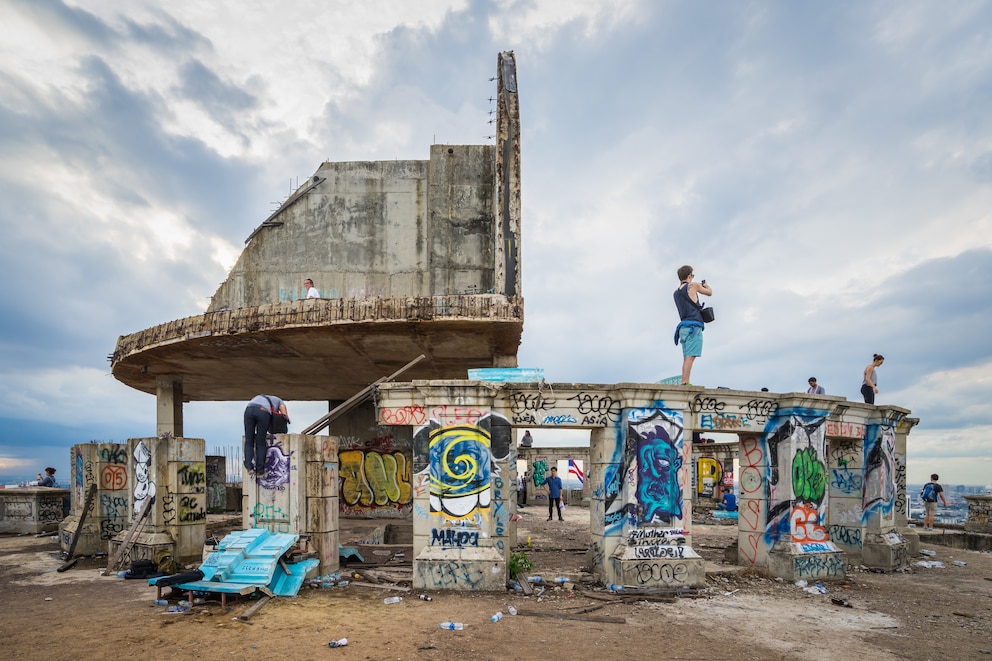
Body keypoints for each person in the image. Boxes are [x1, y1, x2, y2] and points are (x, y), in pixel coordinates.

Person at [673, 265, 713, 385]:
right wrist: (706, 286)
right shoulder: (693, 285)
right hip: (693, 328)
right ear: (689, 275)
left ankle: (685, 381)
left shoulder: (676, 293)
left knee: (687, 357)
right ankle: (685, 382)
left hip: (683, 328)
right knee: (690, 356)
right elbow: (709, 293)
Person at [244, 395, 289, 475]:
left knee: (249, 440)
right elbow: (284, 416)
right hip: (263, 411)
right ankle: (260, 470)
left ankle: (249, 466)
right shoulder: (280, 401)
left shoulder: (259, 397)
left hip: (248, 410)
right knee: (260, 441)